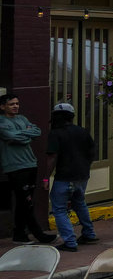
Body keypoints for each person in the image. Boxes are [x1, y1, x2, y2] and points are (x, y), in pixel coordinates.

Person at [0, 94, 56, 244]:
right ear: (3, 107)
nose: (15, 106)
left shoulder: (22, 119)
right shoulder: (2, 121)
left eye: (17, 103)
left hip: (31, 164)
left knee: (23, 202)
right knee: (26, 201)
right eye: (11, 104)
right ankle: (39, 234)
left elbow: (37, 131)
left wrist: (24, 134)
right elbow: (10, 136)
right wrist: (27, 134)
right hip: (15, 167)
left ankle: (19, 235)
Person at [46, 102, 98, 252]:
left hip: (64, 177)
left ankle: (70, 241)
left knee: (59, 209)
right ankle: (89, 233)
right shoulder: (82, 131)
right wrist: (85, 167)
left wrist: (45, 178)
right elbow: (92, 152)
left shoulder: (55, 133)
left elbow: (51, 158)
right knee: (80, 203)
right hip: (82, 176)